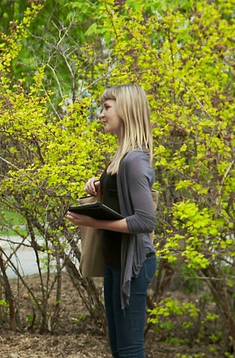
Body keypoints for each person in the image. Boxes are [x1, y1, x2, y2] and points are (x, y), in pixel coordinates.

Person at [66, 84, 157, 358]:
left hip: (133, 266)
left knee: (129, 350)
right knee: (118, 349)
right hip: (115, 261)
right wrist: (98, 188)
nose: (101, 114)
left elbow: (144, 221)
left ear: (126, 110)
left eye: (107, 107)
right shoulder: (122, 157)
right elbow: (122, 201)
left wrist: (93, 223)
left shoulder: (135, 161)